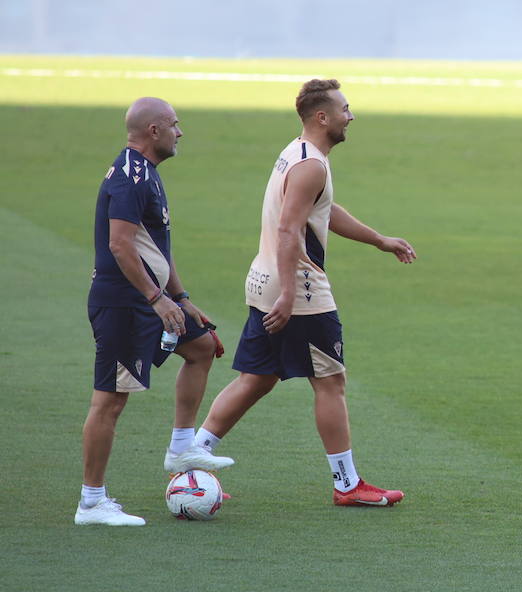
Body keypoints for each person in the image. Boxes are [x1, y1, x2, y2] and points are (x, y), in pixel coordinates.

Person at [185, 79, 416, 507]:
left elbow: (320, 211)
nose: (352, 116)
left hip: (263, 279)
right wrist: (290, 295)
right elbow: (289, 228)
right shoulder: (311, 165)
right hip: (300, 289)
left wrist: (379, 239)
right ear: (322, 117)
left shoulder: (297, 154)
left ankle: (192, 458)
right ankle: (347, 485)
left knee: (257, 378)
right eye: (345, 109)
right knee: (330, 381)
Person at [76, 97, 232, 526]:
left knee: (202, 347)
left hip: (151, 301)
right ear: (154, 131)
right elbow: (120, 244)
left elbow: (155, 247)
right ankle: (91, 502)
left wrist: (180, 298)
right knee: (109, 401)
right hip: (126, 305)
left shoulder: (149, 174)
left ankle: (182, 445)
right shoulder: (130, 177)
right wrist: (156, 299)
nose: (180, 132)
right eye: (175, 125)